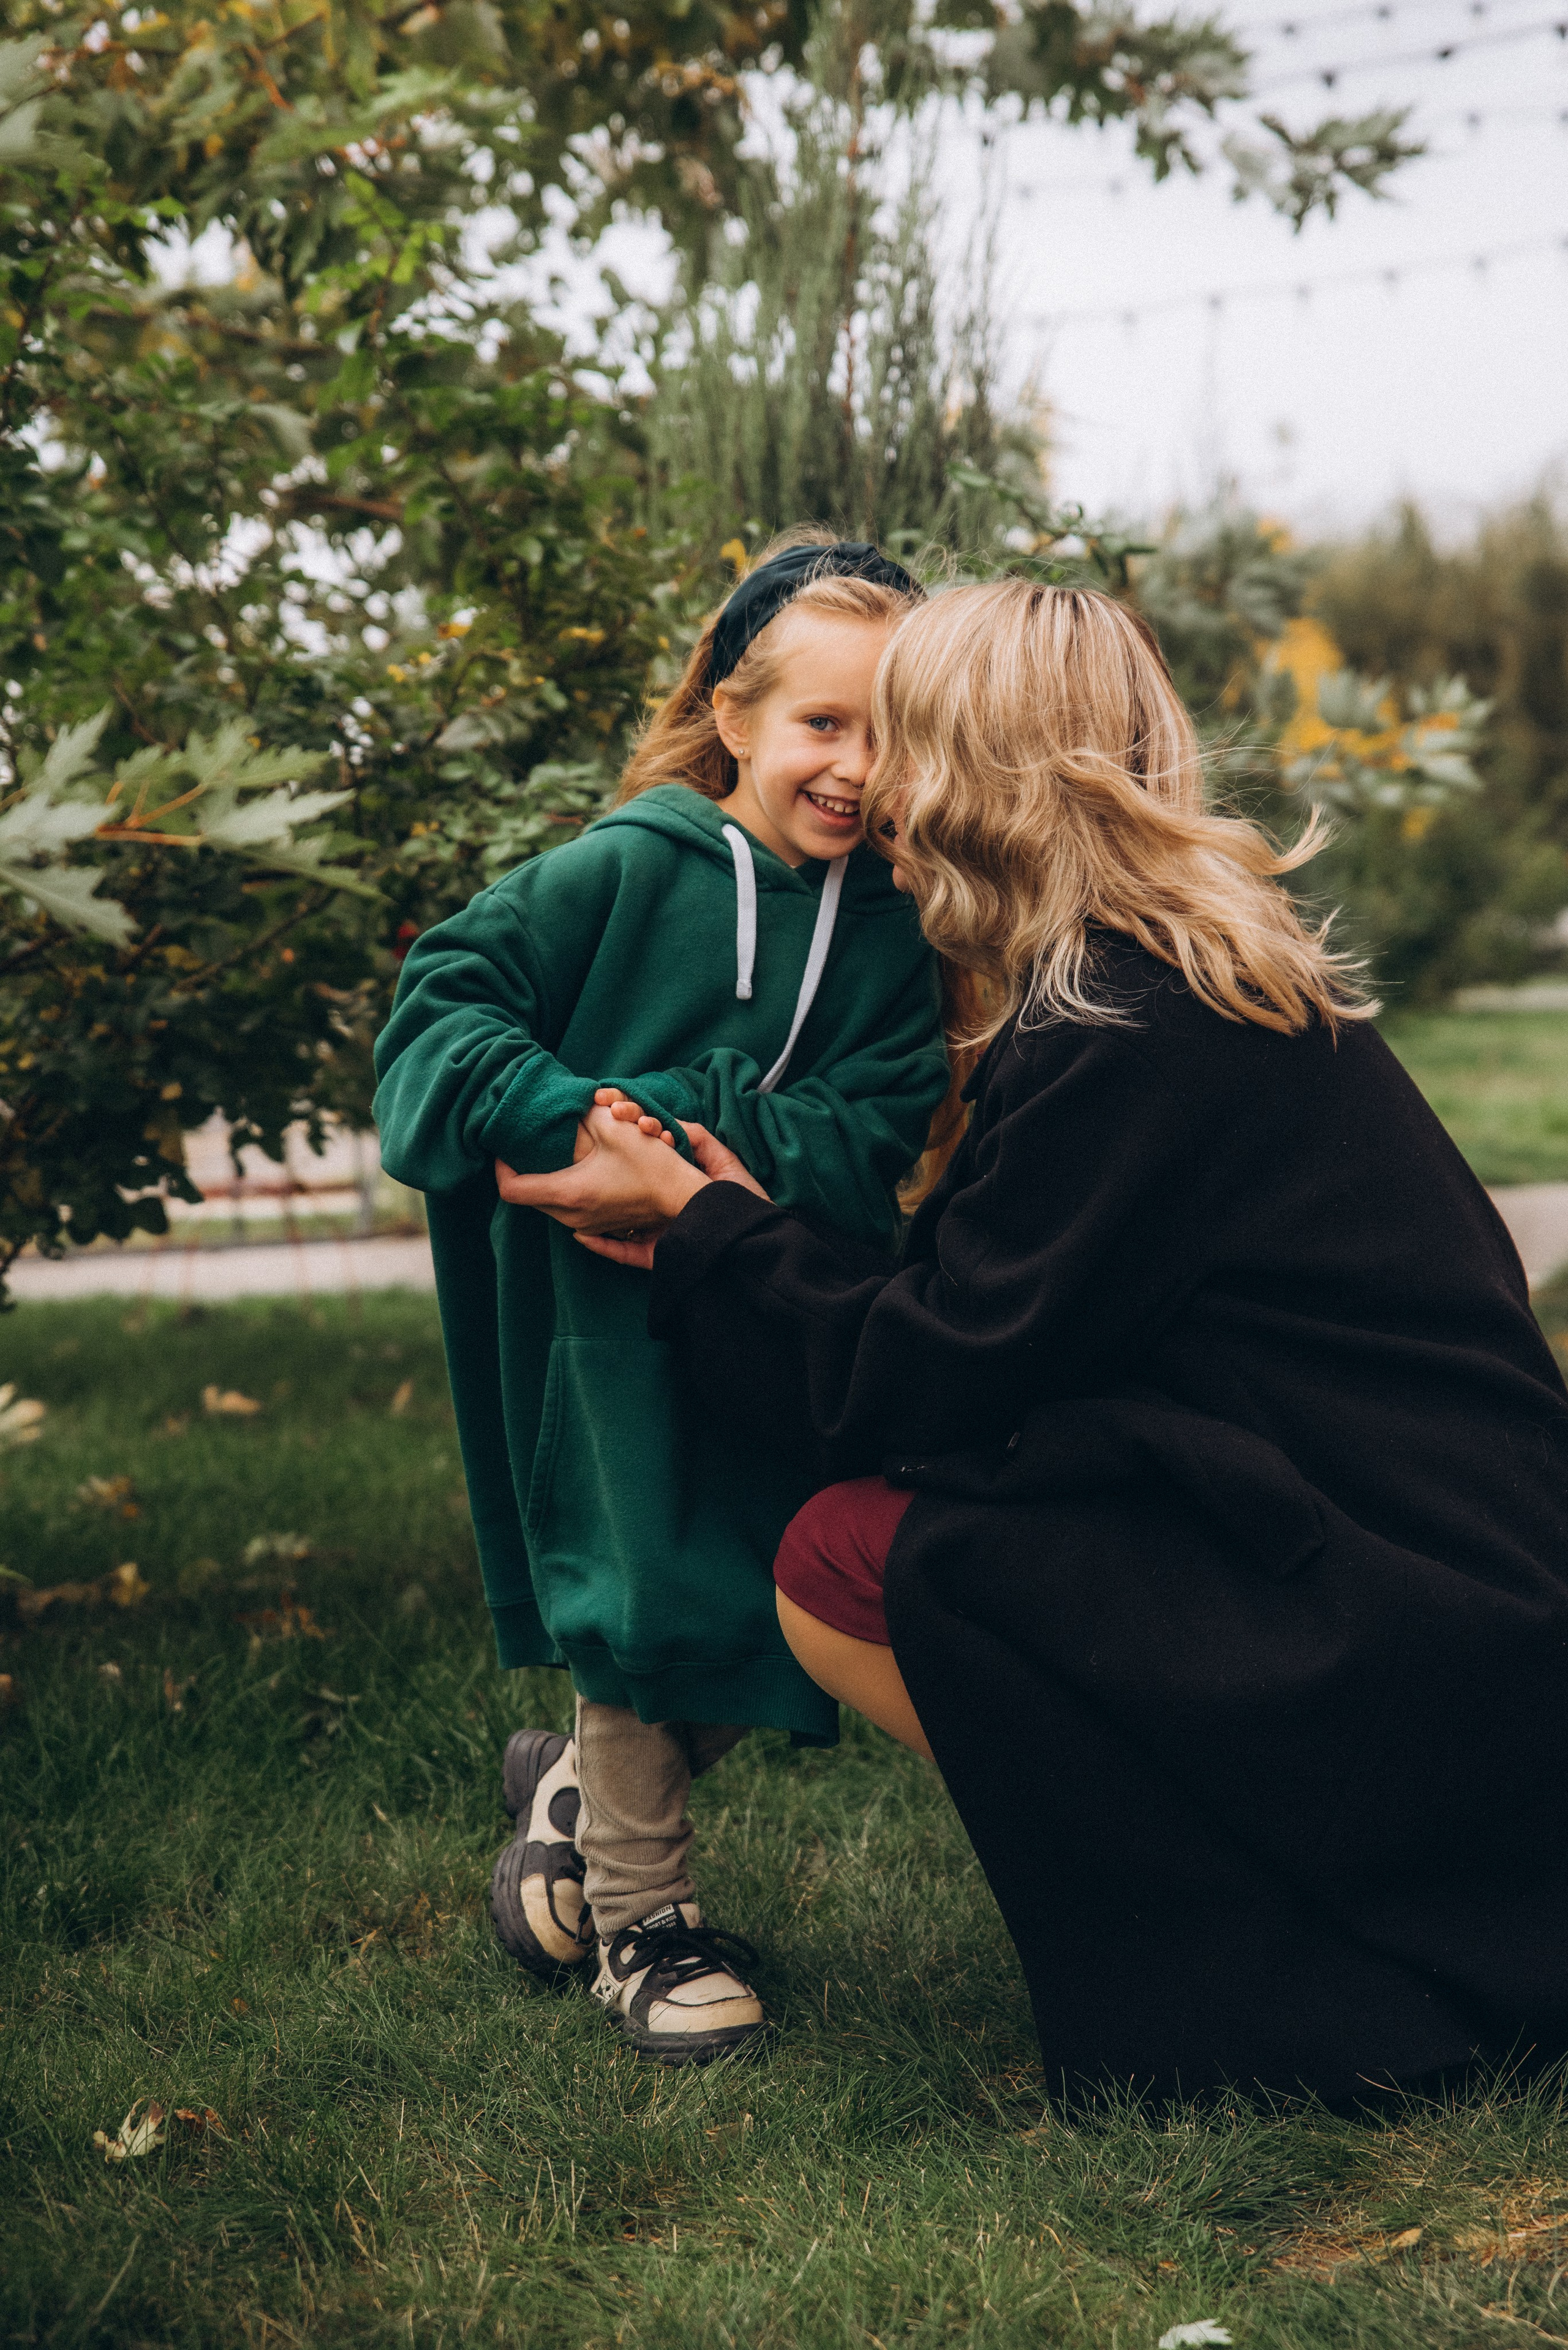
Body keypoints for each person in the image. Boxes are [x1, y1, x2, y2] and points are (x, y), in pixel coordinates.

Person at [501, 579, 1568, 2104]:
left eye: (903, 740)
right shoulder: (1180, 977)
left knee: (854, 1560)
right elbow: (993, 1322)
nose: (873, 784)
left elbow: (917, 1380)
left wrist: (700, 1228)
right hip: (1462, 1591)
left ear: (977, 771)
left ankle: (1258, 1974)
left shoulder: (1128, 1030)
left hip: (1415, 1645)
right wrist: (733, 1220)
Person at [372, 533, 949, 2066]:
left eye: (890, 730)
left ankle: (568, 1790)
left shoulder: (897, 930)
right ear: (735, 715)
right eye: (822, 722)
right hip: (602, 1320)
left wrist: (688, 1145)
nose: (854, 764)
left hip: (774, 1292)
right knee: (637, 1599)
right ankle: (645, 1921)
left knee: (764, 1591)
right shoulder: (621, 868)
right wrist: (575, 1120)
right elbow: (443, 1004)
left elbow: (873, 1119)